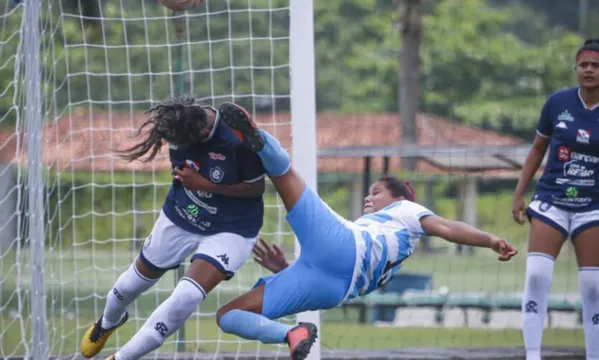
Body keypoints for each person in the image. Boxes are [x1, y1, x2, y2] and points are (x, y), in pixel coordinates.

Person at [210, 102, 518, 360]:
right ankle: (292, 333)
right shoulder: (391, 250)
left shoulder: (406, 210)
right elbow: (350, 272)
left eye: (376, 191)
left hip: (341, 248)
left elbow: (447, 227)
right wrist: (286, 269)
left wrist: (488, 239)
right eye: (369, 193)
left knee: (285, 175)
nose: (369, 198)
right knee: (227, 315)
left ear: (400, 198)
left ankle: (260, 140)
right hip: (333, 287)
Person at [80, 96, 267, 360]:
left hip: (231, 229)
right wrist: (197, 186)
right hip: (183, 214)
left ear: (202, 132)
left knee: (187, 296)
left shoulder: (236, 140)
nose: (175, 147)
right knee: (130, 284)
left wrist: (207, 185)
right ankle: (108, 323)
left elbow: (257, 188)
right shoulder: (180, 129)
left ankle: (122, 358)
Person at [512, 39, 599, 360]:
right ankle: (532, 355)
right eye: (583, 65)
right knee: (537, 275)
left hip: (595, 206)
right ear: (576, 69)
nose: (589, 70)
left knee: (593, 286)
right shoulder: (557, 103)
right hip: (551, 200)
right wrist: (519, 192)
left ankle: (594, 356)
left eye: (596, 65)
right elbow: (538, 149)